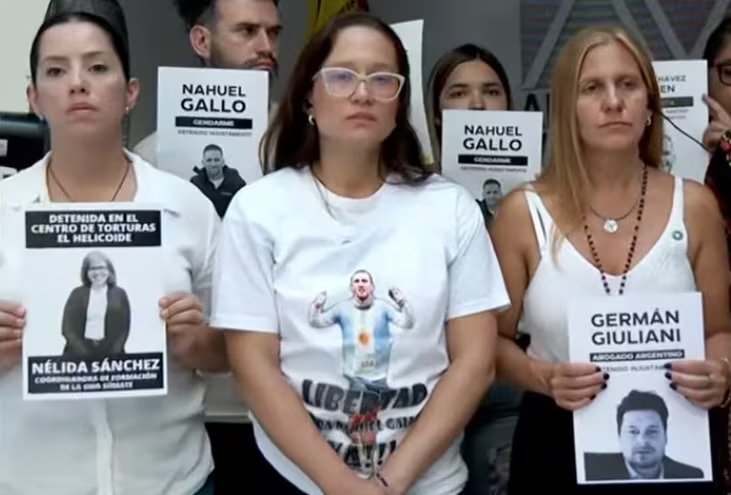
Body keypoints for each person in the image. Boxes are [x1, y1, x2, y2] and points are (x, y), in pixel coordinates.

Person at [211, 12, 509, 495]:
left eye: (383, 79)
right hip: (296, 482)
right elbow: (252, 365)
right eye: (343, 76)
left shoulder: (450, 208)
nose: (363, 93)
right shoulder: (258, 209)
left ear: (399, 104)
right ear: (309, 94)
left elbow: (476, 363)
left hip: (426, 483)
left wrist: (390, 482)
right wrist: (342, 486)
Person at [491, 25, 731, 495]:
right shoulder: (522, 213)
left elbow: (719, 329)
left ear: (649, 105)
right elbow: (488, 345)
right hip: (555, 444)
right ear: (567, 108)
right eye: (592, 88)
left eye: (628, 84)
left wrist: (721, 370)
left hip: (675, 442)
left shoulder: (696, 206)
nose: (614, 101)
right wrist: (544, 377)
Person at [0, 2, 226, 493]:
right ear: (34, 97)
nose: (78, 83)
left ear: (130, 93)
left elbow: (235, 347)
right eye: (56, 71)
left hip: (172, 481)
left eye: (98, 67)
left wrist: (199, 343)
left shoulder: (187, 208)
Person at [426, 43, 522, 495]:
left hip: (508, 387)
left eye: (492, 91)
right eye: (459, 92)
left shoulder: (546, 194)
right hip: (427, 385)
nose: (478, 104)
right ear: (437, 115)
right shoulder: (406, 192)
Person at [132, 0, 282, 163]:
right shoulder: (152, 159)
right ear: (202, 41)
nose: (267, 47)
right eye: (248, 31)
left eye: (273, 33)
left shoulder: (300, 138)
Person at [584, 390, 704, 481]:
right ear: (619, 436)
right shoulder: (589, 469)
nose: (642, 441)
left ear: (666, 436)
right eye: (633, 432)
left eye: (651, 431)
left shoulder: (691, 476)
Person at [61, 250, 131, 359]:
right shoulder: (77, 294)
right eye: (93, 268)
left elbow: (124, 329)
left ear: (109, 270)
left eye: (102, 267)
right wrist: (85, 354)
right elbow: (67, 329)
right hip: (78, 353)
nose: (97, 272)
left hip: (112, 353)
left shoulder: (120, 294)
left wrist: (113, 353)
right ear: (86, 271)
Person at [190, 143, 246, 217]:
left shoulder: (236, 182)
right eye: (209, 160)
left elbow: (244, 208)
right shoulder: (195, 183)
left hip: (229, 223)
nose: (213, 164)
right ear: (203, 163)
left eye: (216, 160)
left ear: (223, 162)